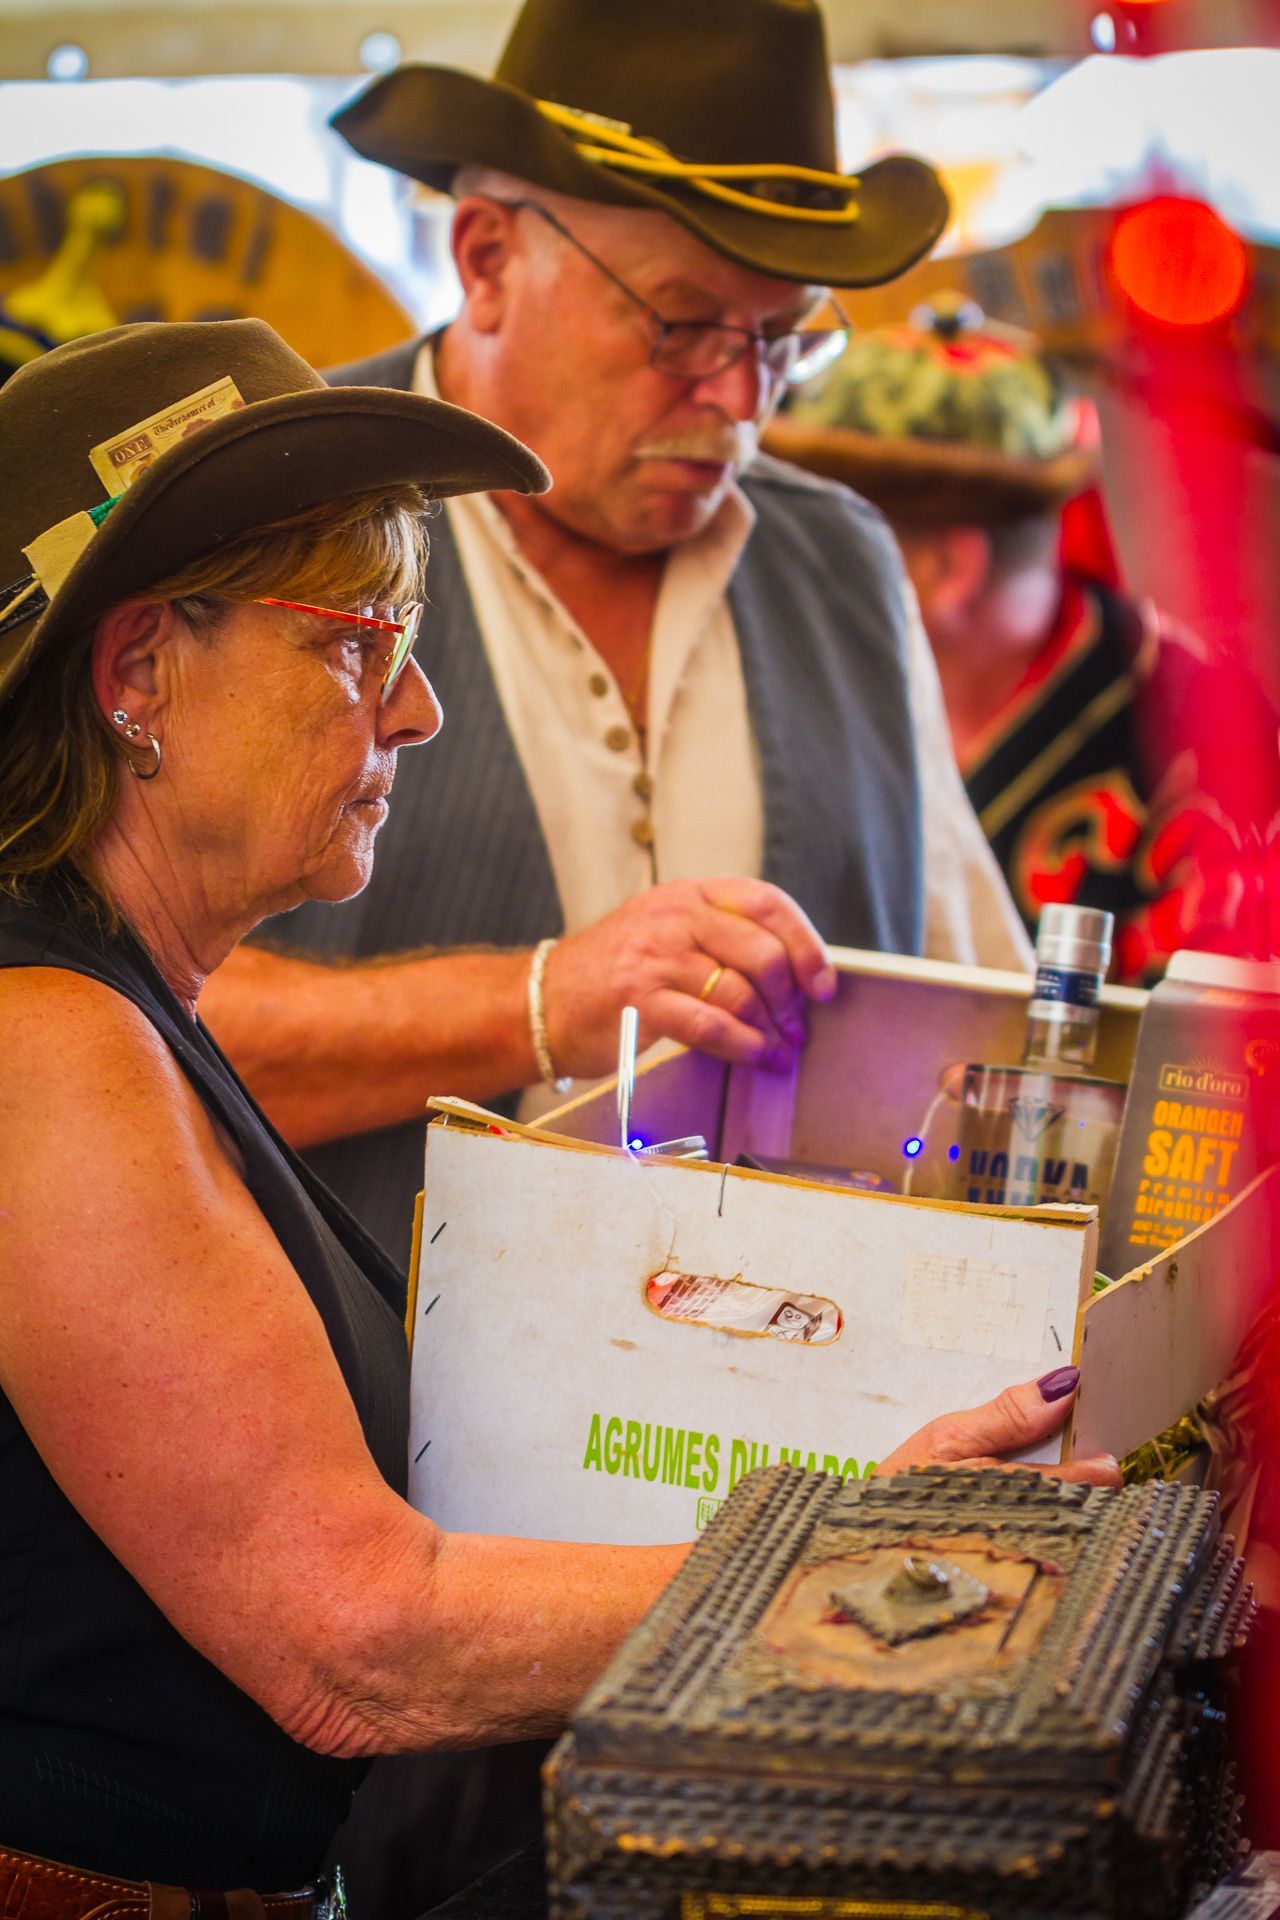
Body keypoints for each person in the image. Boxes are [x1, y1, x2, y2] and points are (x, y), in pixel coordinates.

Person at [0, 317, 1117, 1918]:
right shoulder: (48, 1045)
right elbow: (360, 1639)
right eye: (357, 644)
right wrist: (863, 1542)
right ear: (136, 676)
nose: (415, 710)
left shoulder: (113, 1010)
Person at [198, 0, 1033, 1283]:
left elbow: (976, 1020)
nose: (738, 399)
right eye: (680, 324)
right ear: (486, 257)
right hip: (352, 1386)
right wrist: (536, 1005)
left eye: (780, 340)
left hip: (787, 1382)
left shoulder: (845, 561)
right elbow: (82, 1028)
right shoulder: (265, 519)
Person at [768, 296, 1280, 984]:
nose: (793, 571)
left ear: (947, 568)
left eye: (830, 542)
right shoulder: (803, 688)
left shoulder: (1206, 752)